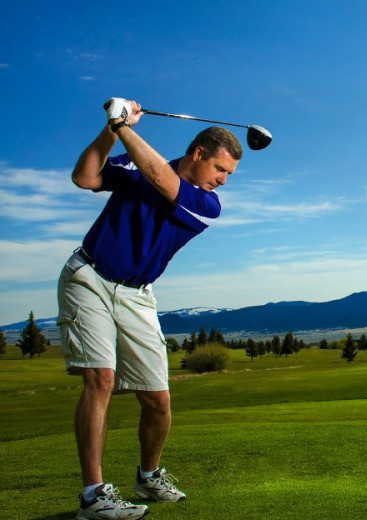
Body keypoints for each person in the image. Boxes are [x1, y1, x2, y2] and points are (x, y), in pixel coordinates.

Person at [57, 98, 242, 520]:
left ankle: (148, 475)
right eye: (220, 170)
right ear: (198, 154)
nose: (224, 182)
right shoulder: (133, 167)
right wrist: (111, 129)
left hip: (138, 295)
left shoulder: (206, 204)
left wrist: (122, 125)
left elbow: (160, 176)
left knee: (157, 400)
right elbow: (84, 177)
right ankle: (93, 496)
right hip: (89, 277)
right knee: (100, 379)